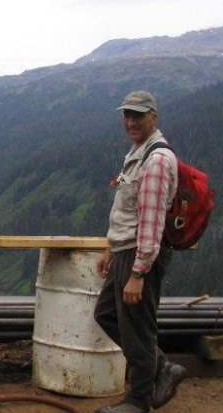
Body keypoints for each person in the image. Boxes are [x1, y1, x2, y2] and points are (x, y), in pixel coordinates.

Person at [94, 91, 188, 413]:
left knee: (136, 328)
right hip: (125, 250)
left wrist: (138, 273)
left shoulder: (157, 160)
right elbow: (127, 208)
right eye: (127, 115)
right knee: (106, 314)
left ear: (154, 117)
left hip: (140, 255)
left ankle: (138, 400)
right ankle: (161, 366)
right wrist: (111, 247)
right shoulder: (138, 152)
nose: (131, 121)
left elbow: (151, 221)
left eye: (138, 115)